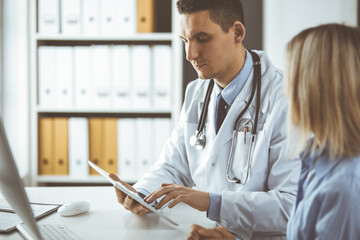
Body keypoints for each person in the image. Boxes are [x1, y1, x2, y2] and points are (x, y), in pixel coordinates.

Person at [109, 0, 300, 238]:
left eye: (202, 38)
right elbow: (172, 165)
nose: (190, 54)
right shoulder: (197, 91)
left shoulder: (286, 98)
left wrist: (212, 202)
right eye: (184, 41)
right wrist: (143, 194)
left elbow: (291, 205)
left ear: (237, 32)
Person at [187, 23, 360, 240]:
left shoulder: (345, 186)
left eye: (294, 78)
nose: (286, 89)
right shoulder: (319, 160)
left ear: (320, 89)